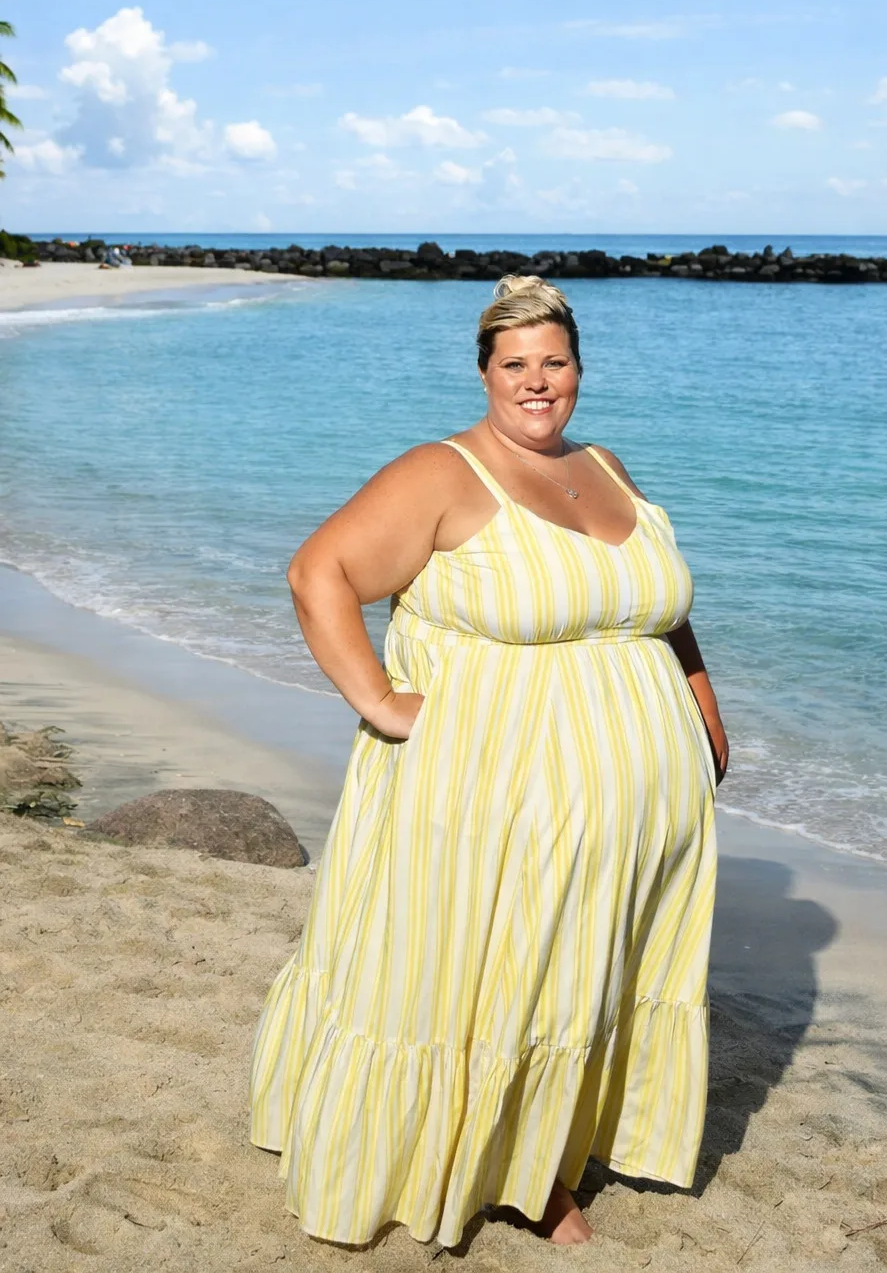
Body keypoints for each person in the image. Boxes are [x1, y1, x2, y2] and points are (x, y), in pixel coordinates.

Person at [249, 275, 728, 1249]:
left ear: (579, 370)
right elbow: (319, 575)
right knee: (497, 977)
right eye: (516, 364)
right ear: (485, 373)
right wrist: (380, 702)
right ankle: (516, 1178)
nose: (537, 381)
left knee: (581, 978)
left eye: (554, 361)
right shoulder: (442, 472)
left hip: (635, 808)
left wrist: (704, 715)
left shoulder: (605, 466)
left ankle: (548, 1145)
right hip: (489, 796)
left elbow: (664, 614)